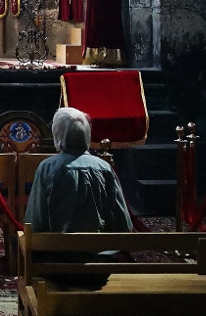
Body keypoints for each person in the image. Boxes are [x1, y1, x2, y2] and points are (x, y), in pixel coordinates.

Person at [24, 107, 132, 287]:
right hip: (99, 268)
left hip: (58, 266)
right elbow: (124, 226)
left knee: (18, 242)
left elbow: (34, 224)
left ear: (58, 135)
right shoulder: (105, 169)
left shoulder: (47, 168)